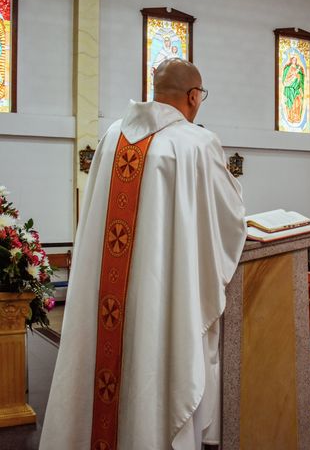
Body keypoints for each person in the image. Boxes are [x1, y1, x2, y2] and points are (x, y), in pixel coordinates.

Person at [40, 59, 247, 450]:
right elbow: (231, 216)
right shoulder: (197, 143)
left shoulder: (111, 136)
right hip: (162, 294)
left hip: (108, 295)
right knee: (155, 351)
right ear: (192, 96)